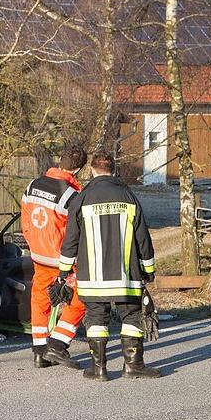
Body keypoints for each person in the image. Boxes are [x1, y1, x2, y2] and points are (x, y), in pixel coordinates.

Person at [53, 151, 159, 381]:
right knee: (131, 316)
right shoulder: (128, 197)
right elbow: (143, 238)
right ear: (114, 170)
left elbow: (70, 239)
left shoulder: (82, 198)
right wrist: (148, 270)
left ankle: (98, 369)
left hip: (92, 275)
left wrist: (64, 271)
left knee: (96, 318)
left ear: (92, 170)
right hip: (125, 273)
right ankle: (133, 366)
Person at [20, 145, 88, 369]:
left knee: (40, 300)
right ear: (77, 170)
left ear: (60, 161)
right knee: (81, 298)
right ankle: (58, 343)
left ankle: (39, 351)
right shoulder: (71, 195)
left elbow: (26, 221)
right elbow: (76, 231)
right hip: (62, 259)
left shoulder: (32, 186)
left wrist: (32, 243)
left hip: (39, 254)